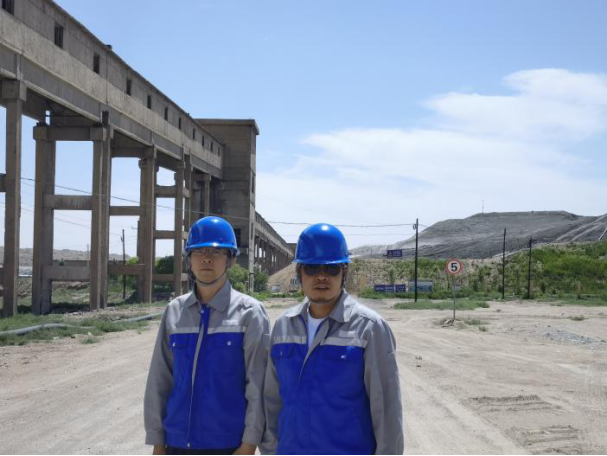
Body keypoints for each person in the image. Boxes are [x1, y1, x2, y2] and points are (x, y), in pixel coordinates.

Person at [263, 223, 404, 455]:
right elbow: (271, 400)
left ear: (344, 273)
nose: (321, 277)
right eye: (312, 268)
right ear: (299, 273)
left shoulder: (369, 328)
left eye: (331, 269)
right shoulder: (283, 326)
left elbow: (387, 413)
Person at [144, 216, 270, 455]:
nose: (207, 258)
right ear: (189, 260)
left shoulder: (250, 313)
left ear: (231, 260)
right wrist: (157, 441)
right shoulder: (175, 311)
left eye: (217, 252)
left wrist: (249, 444)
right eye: (199, 251)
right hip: (177, 444)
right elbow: (160, 380)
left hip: (228, 445)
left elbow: (258, 384)